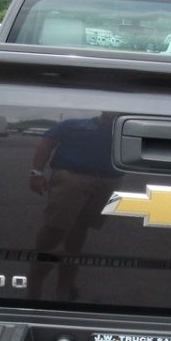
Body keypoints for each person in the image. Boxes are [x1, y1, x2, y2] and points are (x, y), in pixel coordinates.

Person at [27, 113, 122, 301]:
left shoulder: (128, 130)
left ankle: (65, 286)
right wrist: (36, 173)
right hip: (72, 177)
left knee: (80, 230)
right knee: (54, 229)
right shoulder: (74, 125)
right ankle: (33, 286)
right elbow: (47, 143)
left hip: (110, 181)